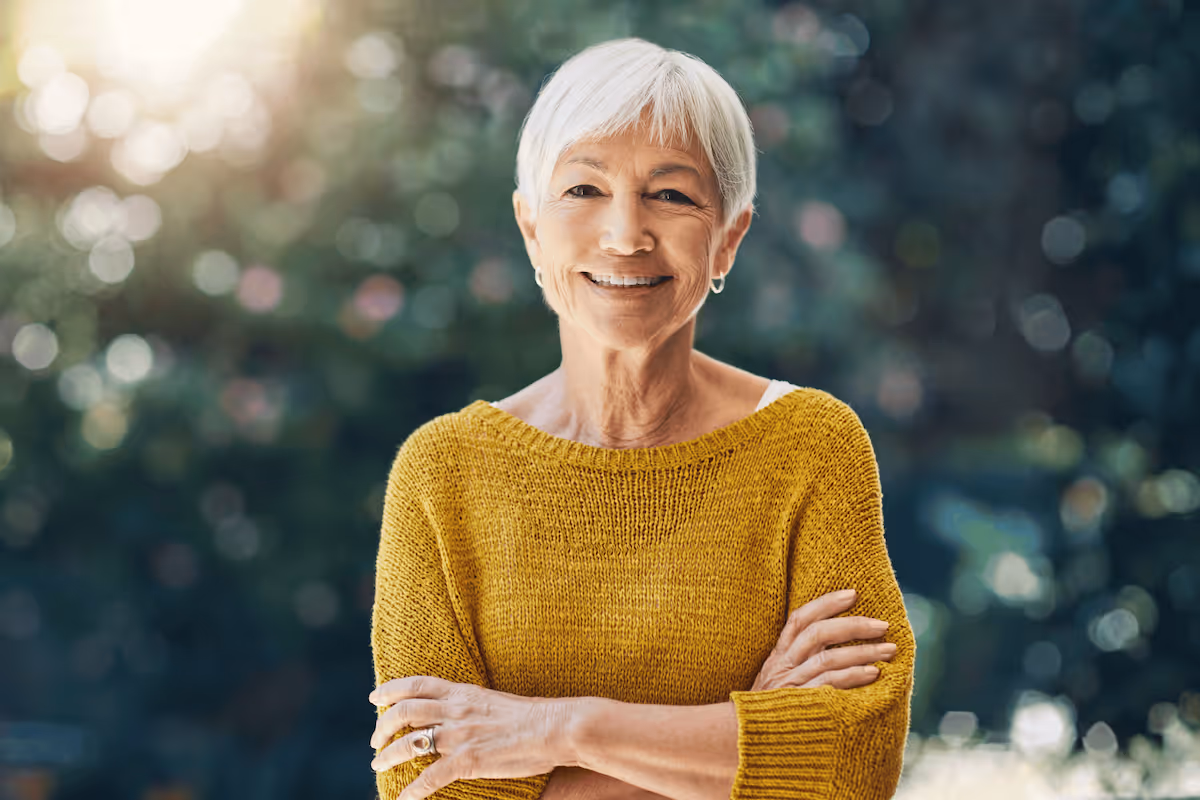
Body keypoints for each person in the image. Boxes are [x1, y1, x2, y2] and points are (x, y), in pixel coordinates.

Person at [368, 37, 915, 800]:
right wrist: (751, 735)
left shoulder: (812, 447)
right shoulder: (444, 474)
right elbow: (431, 784)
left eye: (672, 194)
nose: (625, 234)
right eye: (584, 191)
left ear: (729, 237)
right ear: (531, 229)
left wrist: (560, 732)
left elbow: (854, 767)